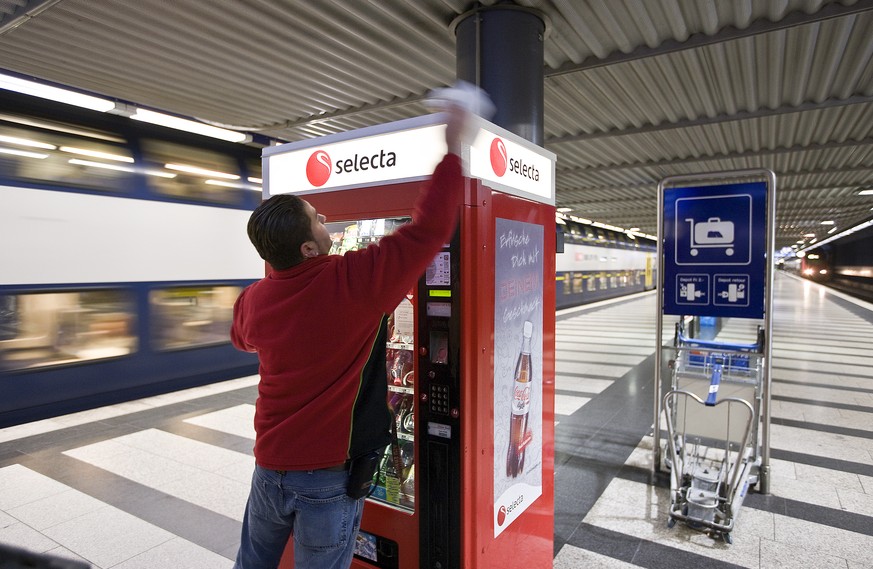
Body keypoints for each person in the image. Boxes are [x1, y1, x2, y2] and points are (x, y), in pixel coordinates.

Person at [230, 100, 473, 569]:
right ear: (307, 246)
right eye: (318, 220)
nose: (326, 222)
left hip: (269, 469)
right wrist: (452, 149)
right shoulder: (352, 282)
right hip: (326, 477)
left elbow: (242, 338)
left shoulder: (255, 300)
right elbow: (429, 231)